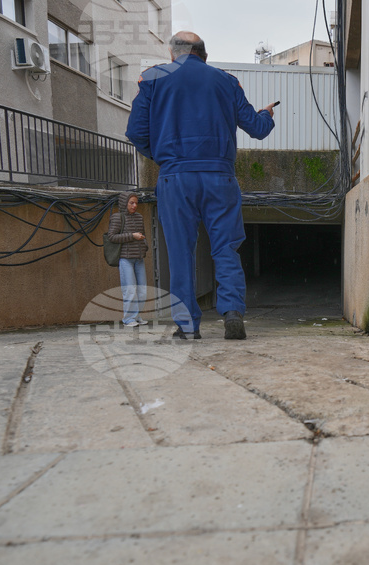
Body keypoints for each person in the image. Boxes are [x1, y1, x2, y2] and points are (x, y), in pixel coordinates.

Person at [125, 31, 276, 340]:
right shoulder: (227, 81)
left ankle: (187, 325)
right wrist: (267, 114)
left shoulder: (152, 78)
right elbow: (257, 129)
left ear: (173, 55)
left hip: (175, 178)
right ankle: (232, 311)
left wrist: (165, 158)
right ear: (204, 55)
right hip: (219, 177)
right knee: (226, 248)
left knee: (181, 253)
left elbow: (136, 131)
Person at [107, 192, 148, 327]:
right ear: (125, 203)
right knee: (130, 290)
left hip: (139, 258)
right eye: (131, 203)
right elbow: (111, 237)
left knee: (142, 291)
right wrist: (132, 236)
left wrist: (144, 244)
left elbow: (143, 235)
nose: (135, 205)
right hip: (125, 259)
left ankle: (137, 316)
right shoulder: (117, 217)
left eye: (136, 203)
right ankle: (128, 319)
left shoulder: (139, 217)